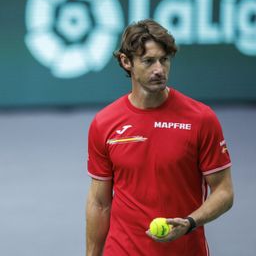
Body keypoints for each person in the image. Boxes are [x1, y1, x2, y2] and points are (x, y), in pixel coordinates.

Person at [85, 19, 234, 256]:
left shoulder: (201, 119)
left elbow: (224, 192)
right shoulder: (104, 123)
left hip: (185, 249)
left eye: (164, 60)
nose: (159, 69)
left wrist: (190, 223)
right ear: (126, 62)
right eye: (148, 61)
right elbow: (99, 202)